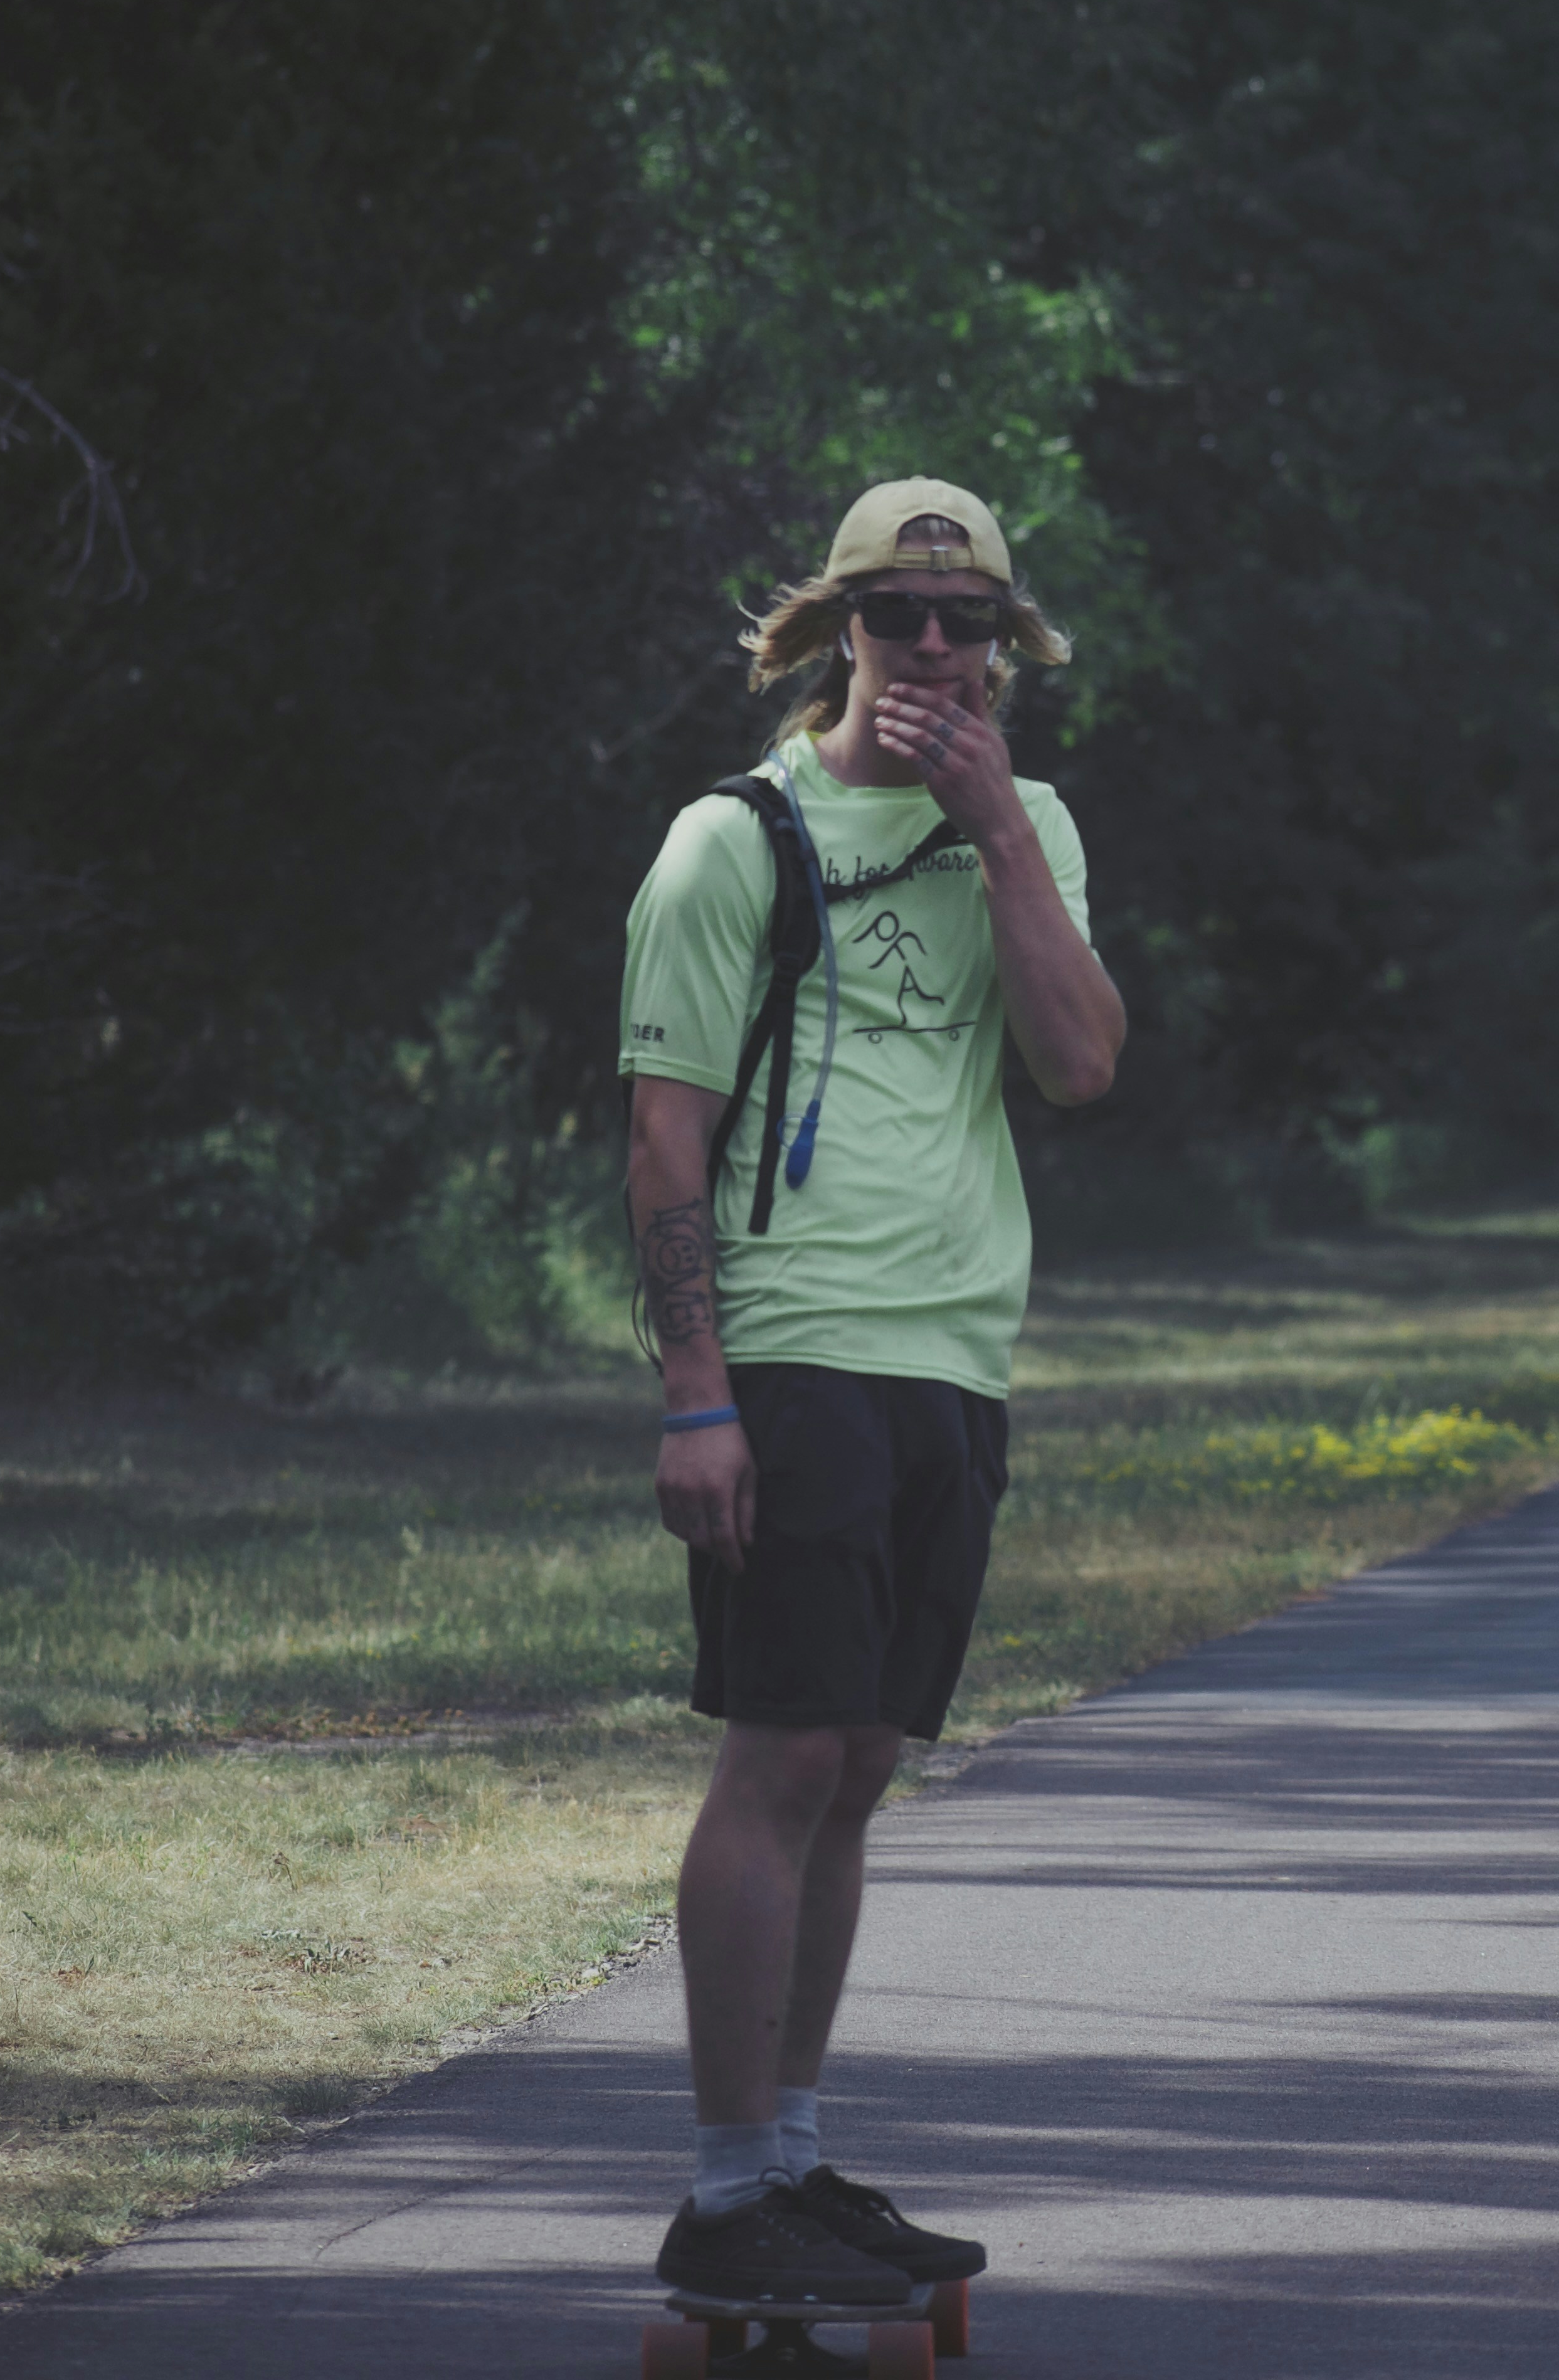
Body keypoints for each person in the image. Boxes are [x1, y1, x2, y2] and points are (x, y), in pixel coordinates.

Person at [618, 478, 1125, 2308]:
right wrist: (696, 1397)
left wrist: (995, 831)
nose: (931, 648)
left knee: (858, 1767)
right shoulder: (732, 840)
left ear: (1005, 648)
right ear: (840, 626)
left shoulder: (1030, 827)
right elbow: (663, 1145)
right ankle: (720, 2182)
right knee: (780, 1753)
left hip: (948, 1358)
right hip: (791, 1344)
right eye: (898, 617)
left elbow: (1077, 1062)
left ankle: (793, 2160)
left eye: (964, 621)